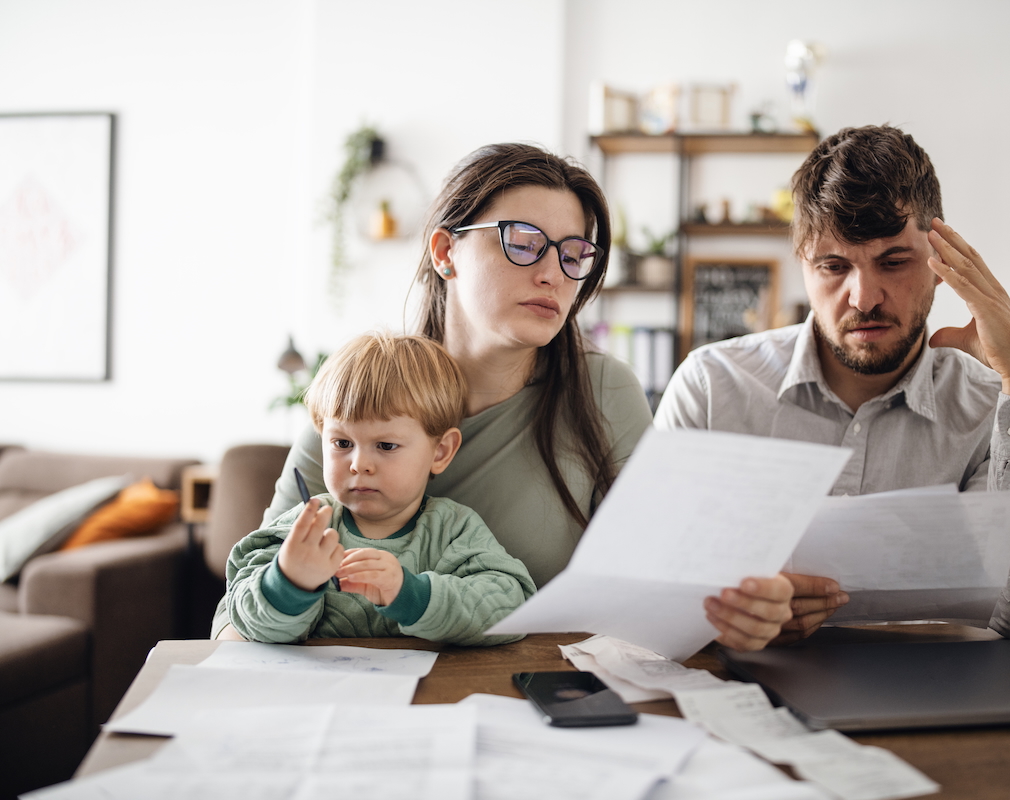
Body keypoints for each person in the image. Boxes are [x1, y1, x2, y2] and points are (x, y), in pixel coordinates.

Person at [214, 143, 793, 650]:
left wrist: (739, 606)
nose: (553, 275)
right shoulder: (362, 397)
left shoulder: (604, 391)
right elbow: (238, 614)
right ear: (445, 252)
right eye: (523, 242)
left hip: (531, 695)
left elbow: (662, 586)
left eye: (573, 255)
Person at [655, 125, 1010, 643]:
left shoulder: (993, 411)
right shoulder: (711, 387)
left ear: (941, 263)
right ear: (803, 269)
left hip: (933, 700)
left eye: (894, 261)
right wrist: (729, 612)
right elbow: (650, 585)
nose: (864, 297)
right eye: (834, 266)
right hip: (740, 693)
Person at [225, 332, 536, 645]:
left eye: (386, 445)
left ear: (440, 452)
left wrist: (410, 594)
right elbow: (241, 614)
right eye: (342, 443)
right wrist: (289, 582)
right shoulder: (302, 528)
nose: (359, 464)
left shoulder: (453, 530)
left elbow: (511, 608)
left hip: (425, 691)